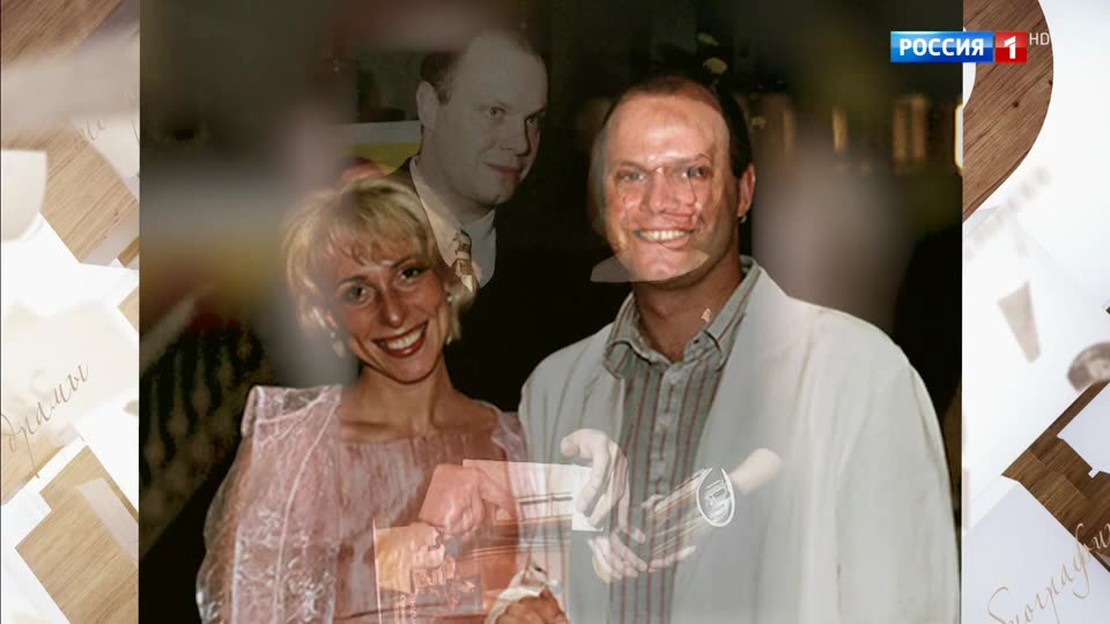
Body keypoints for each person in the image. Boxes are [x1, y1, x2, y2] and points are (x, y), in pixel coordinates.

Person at [492, 75, 959, 623]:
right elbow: (538, 582)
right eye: (631, 175)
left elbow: (909, 605)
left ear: (744, 191)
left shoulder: (861, 375)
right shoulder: (555, 389)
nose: (658, 201)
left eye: (691, 172)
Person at [196, 178, 529, 622]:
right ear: (325, 315)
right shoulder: (298, 450)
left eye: (409, 273)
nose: (393, 312)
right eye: (356, 292)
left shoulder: (519, 444)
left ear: (447, 278)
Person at [389, 28, 626, 411]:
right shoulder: (344, 240)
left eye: (533, 120)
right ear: (429, 106)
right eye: (495, 113)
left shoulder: (571, 263)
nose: (520, 143)